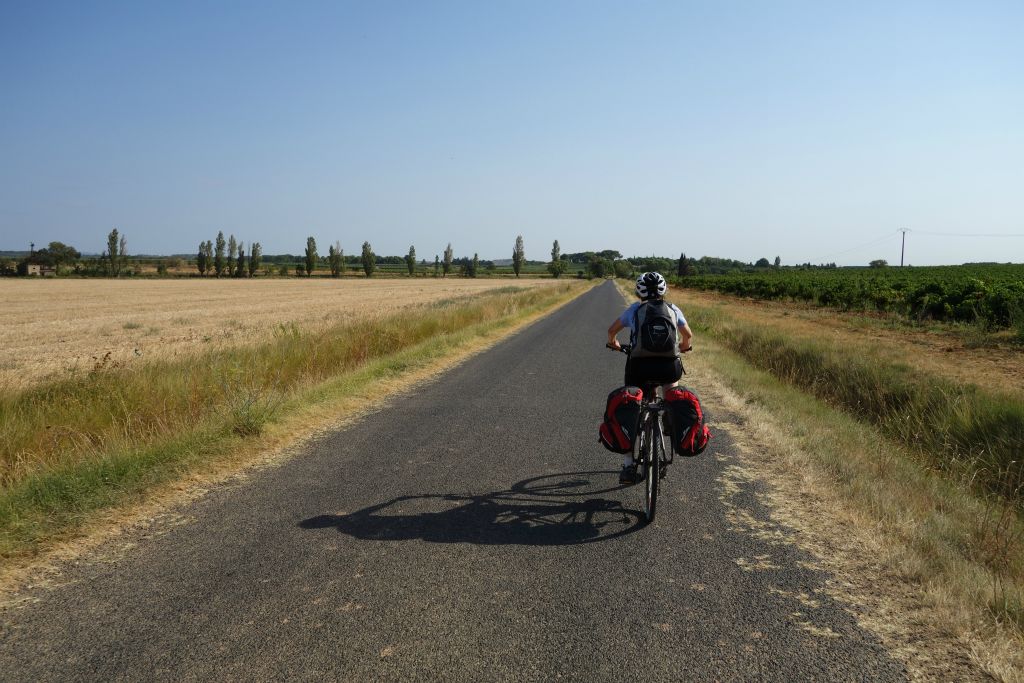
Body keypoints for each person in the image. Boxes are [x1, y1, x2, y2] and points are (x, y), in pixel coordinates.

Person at [607, 271, 693, 484]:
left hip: (639, 367)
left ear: (639, 291)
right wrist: (684, 347)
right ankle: (669, 418)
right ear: (664, 290)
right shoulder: (673, 309)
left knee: (631, 406)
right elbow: (687, 336)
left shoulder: (635, 309)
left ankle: (628, 466)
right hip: (668, 367)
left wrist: (614, 343)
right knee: (672, 392)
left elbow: (611, 331)